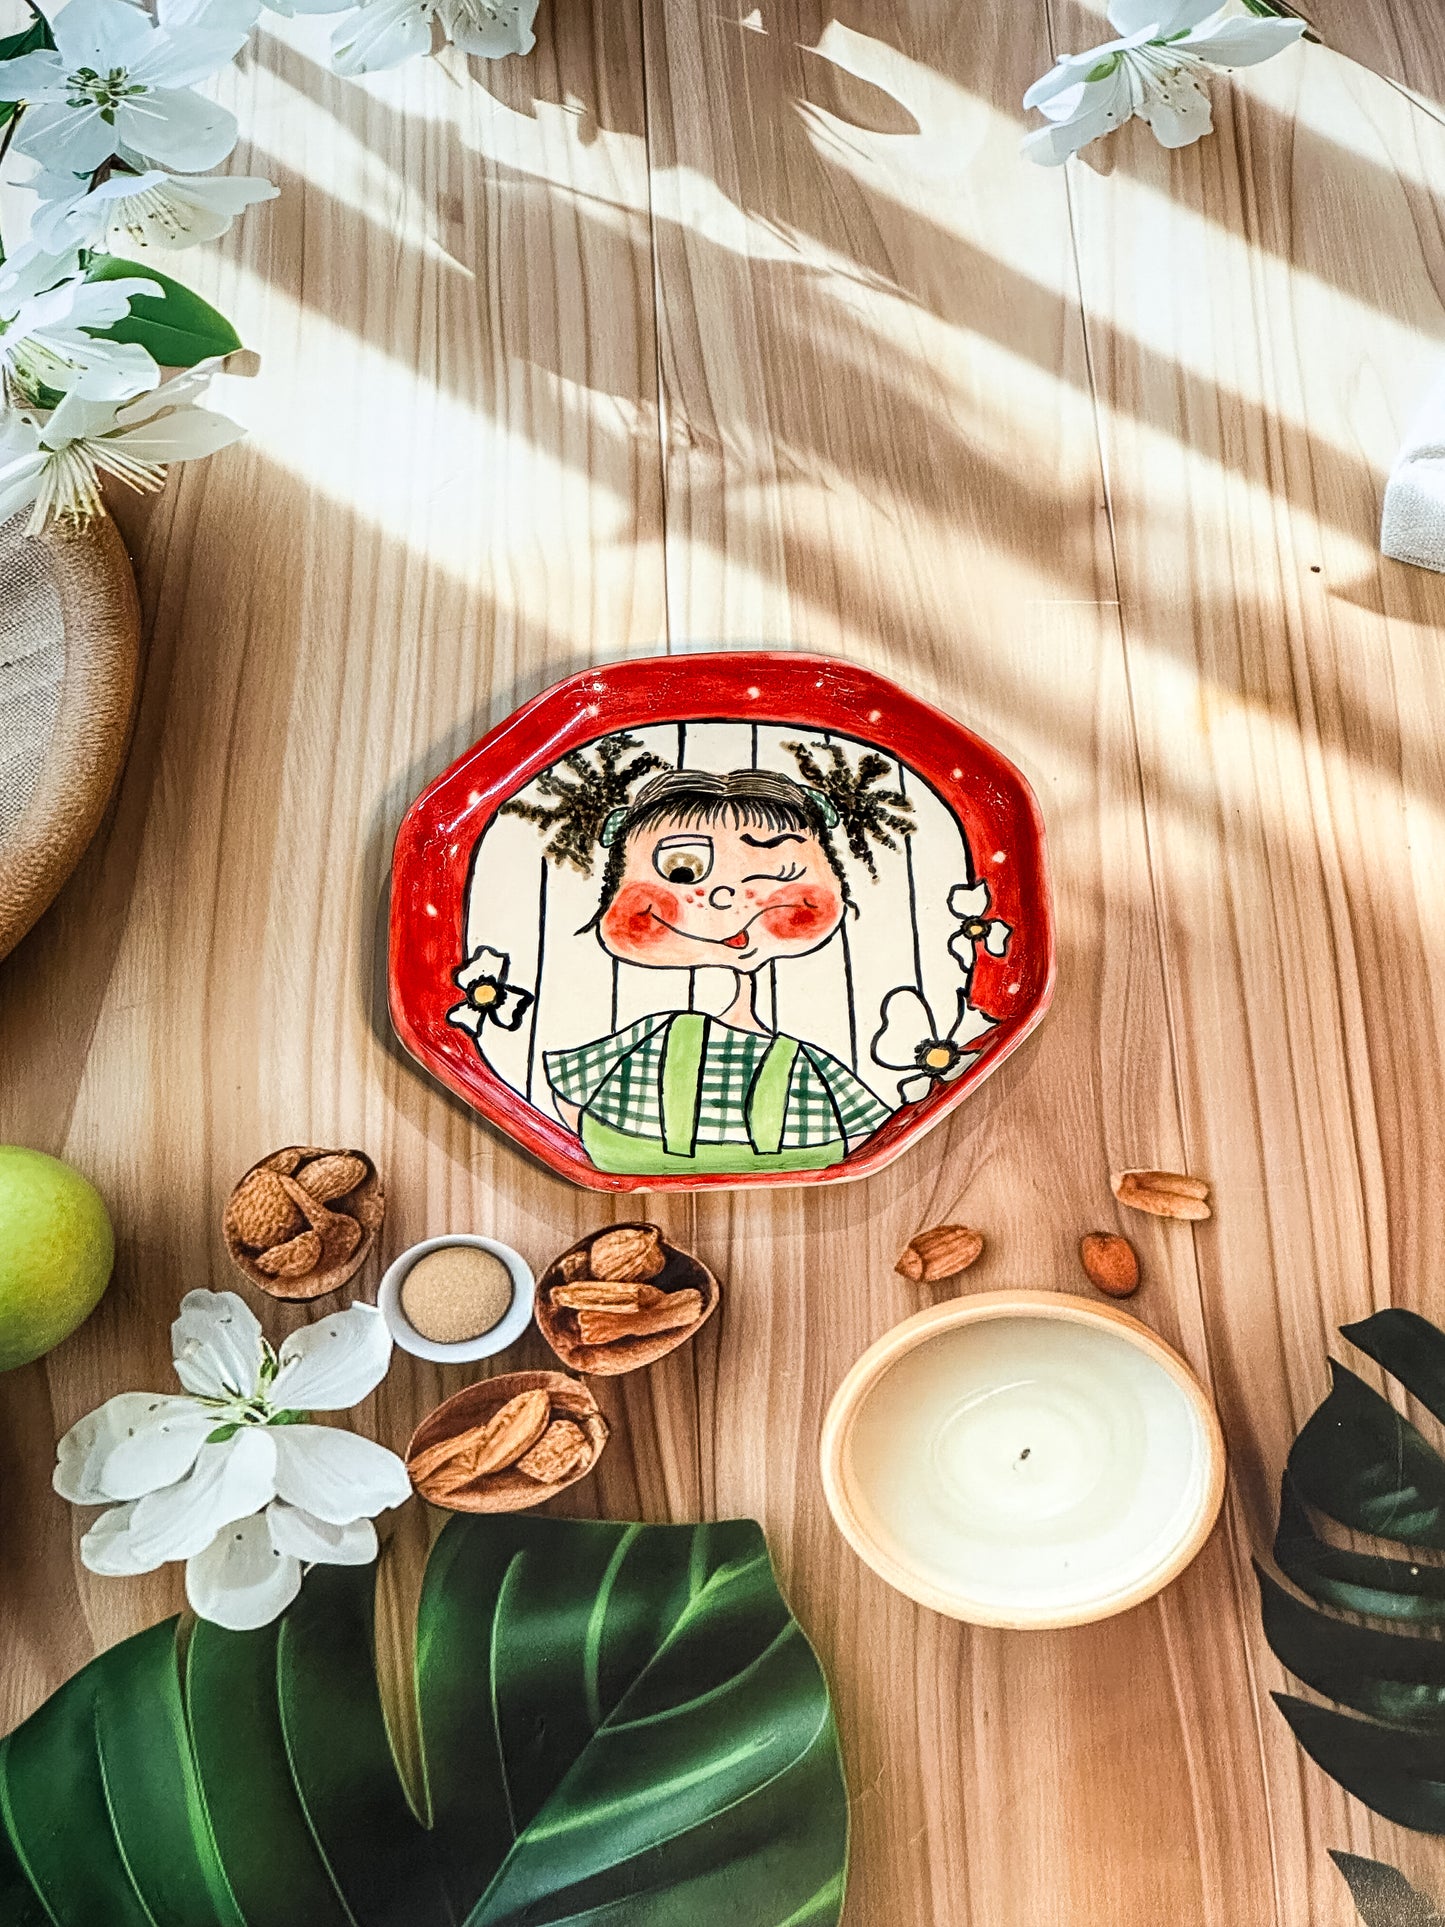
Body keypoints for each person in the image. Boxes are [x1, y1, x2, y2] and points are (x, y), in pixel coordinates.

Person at [542, 768, 895, 1176]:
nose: (725, 896)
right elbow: (570, 1093)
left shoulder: (805, 1054)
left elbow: (870, 1130)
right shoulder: (651, 1035)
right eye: (681, 872)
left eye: (777, 870)